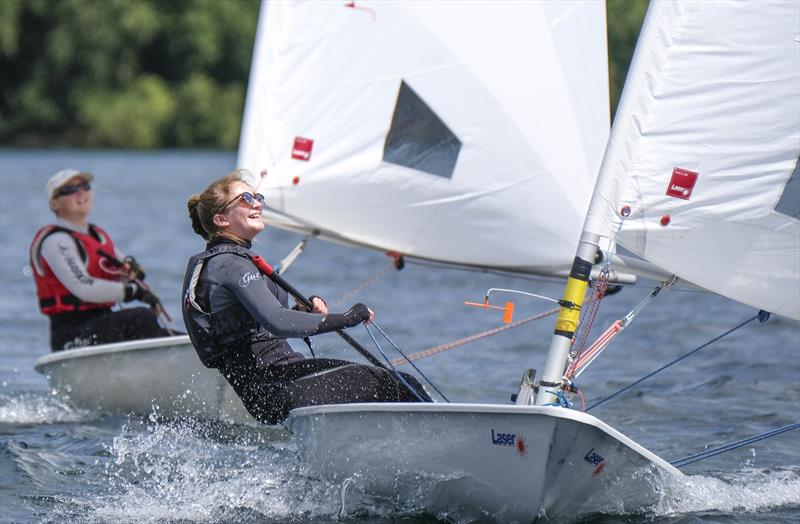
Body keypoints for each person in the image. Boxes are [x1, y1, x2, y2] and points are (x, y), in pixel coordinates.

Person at [182, 169, 430, 425]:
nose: (257, 203)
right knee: (397, 385)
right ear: (221, 219)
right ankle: (442, 437)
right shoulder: (229, 265)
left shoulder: (232, 261)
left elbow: (263, 321)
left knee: (397, 384)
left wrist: (301, 311)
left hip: (281, 379)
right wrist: (348, 318)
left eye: (258, 197)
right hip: (275, 387)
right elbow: (277, 321)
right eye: (245, 198)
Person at [29, 168, 172, 351]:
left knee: (182, 337)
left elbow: (129, 276)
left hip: (103, 322)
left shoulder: (98, 238)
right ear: (54, 204)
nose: (80, 192)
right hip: (71, 334)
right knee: (141, 318)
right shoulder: (56, 241)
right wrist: (132, 292)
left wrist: (137, 282)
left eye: (84, 186)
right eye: (70, 190)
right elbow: (84, 288)